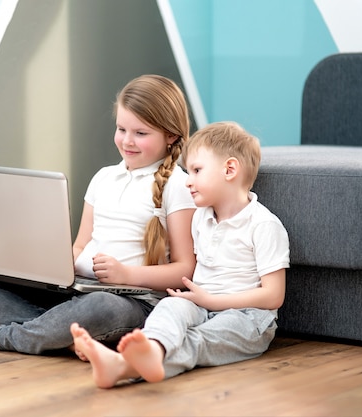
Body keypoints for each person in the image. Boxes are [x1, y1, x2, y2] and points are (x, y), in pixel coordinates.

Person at [0, 74, 196, 356]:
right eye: (121, 129)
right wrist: (53, 267)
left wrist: (127, 274)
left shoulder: (178, 185)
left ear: (171, 135)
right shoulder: (103, 178)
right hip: (78, 290)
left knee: (100, 307)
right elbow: (80, 245)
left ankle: (1, 337)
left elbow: (185, 270)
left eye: (141, 133)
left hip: (132, 303)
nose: (127, 141)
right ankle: (66, 336)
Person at [71, 121, 290, 387]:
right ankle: (144, 352)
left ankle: (122, 365)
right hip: (199, 304)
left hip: (247, 317)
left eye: (197, 170)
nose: (188, 181)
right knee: (170, 307)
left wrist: (211, 300)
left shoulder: (264, 225)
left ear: (230, 169)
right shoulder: (201, 219)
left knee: (196, 340)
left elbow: (273, 295)